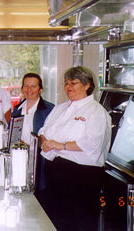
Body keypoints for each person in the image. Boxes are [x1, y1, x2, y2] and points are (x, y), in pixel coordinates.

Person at [38, 66, 111, 230]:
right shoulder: (61, 108)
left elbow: (92, 143)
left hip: (82, 175)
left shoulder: (96, 111)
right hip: (56, 169)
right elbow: (43, 130)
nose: (68, 87)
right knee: (58, 219)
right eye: (66, 83)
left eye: (73, 83)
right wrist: (44, 140)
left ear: (87, 86)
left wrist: (60, 145)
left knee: (81, 221)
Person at [11, 73, 54, 191]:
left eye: (33, 86)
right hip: (20, 159)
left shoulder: (50, 110)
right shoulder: (17, 109)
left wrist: (31, 147)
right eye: (26, 86)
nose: (29, 90)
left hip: (41, 163)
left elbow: (52, 138)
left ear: (40, 89)